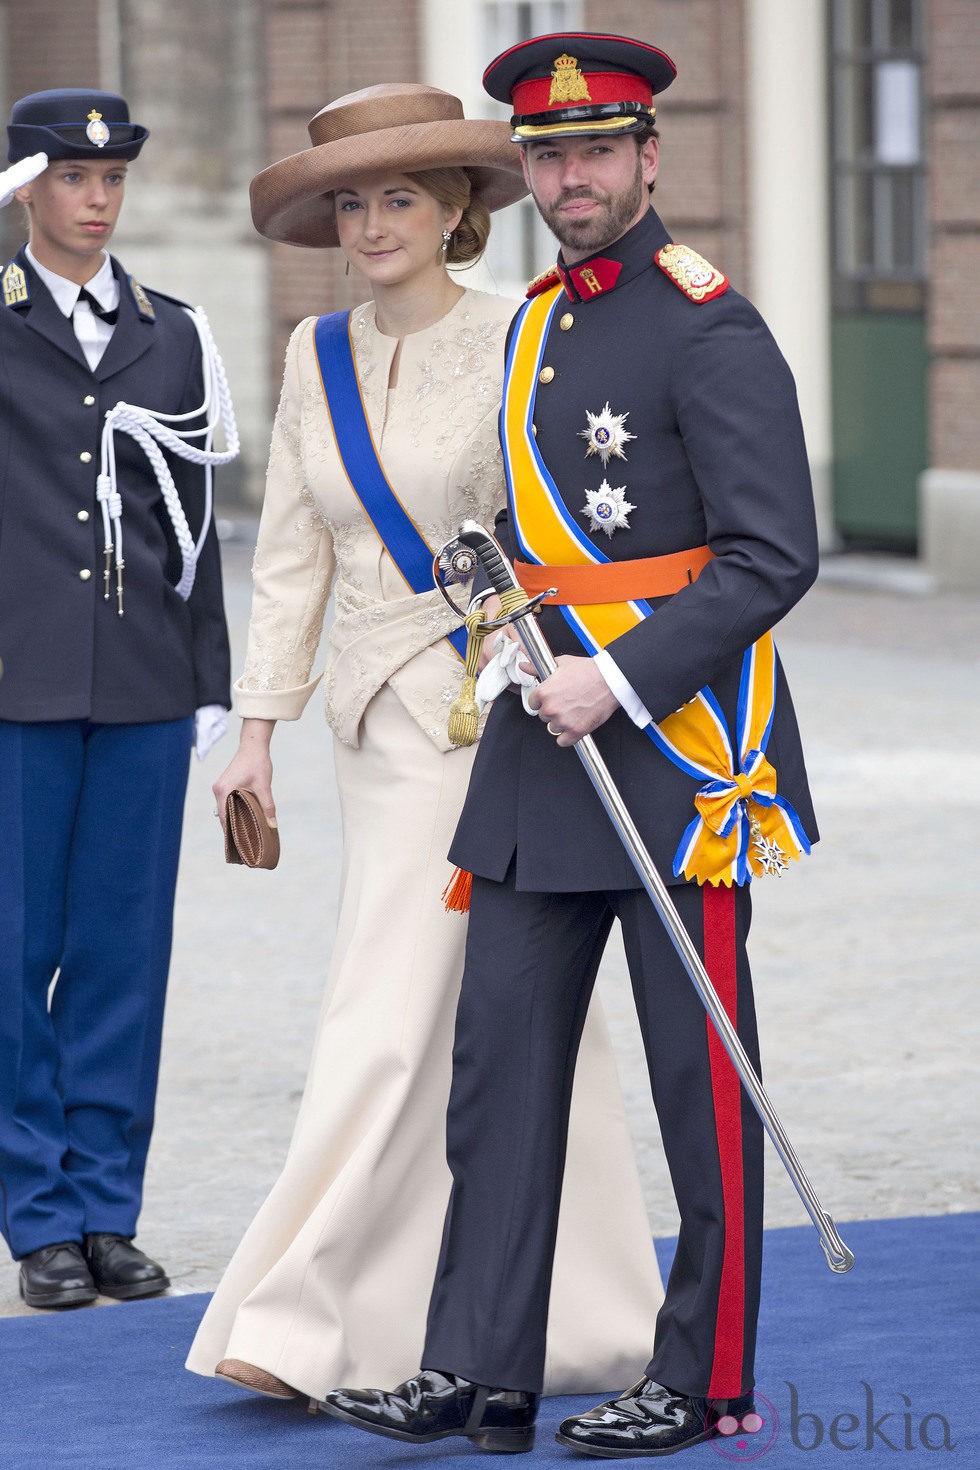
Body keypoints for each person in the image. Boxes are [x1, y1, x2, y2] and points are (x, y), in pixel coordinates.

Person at [318, 31, 821, 1459]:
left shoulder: (708, 324)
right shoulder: (543, 316)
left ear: (650, 158)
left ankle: (704, 1374)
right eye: (548, 155)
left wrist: (627, 677)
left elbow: (772, 554)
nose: (572, 175)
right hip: (544, 740)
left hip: (683, 753)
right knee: (500, 1068)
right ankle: (476, 1364)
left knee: (696, 1086)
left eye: (597, 149)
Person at [185, 82, 664, 1405]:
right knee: (413, 1006)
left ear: (459, 209)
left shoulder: (523, 335)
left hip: (499, 715)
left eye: (400, 195)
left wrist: (562, 654)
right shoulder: (312, 355)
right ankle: (501, 1315)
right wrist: (256, 733)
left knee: (440, 1017)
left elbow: (574, 525)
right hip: (372, 735)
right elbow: (287, 557)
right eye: (352, 199)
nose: (373, 221)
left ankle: (307, 1317)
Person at [0, 89, 236, 1310]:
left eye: (113, 181)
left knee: (120, 962)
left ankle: (106, 1212)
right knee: (11, 956)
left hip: (143, 683)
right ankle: (36, 1216)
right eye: (73, 179)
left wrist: (211, 683)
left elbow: (188, 526)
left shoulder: (174, 332)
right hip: (14, 688)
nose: (97, 200)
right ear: (27, 187)